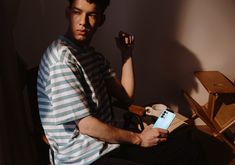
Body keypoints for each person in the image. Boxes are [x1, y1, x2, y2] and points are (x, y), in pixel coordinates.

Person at [37, 0, 205, 164]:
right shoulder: (62, 60)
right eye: (77, 12)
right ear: (68, 13)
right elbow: (87, 126)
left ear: (101, 20)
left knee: (188, 145)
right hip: (84, 156)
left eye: (92, 15)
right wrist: (139, 138)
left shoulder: (91, 55)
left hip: (107, 143)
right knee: (183, 152)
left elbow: (126, 96)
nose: (83, 22)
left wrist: (126, 53)